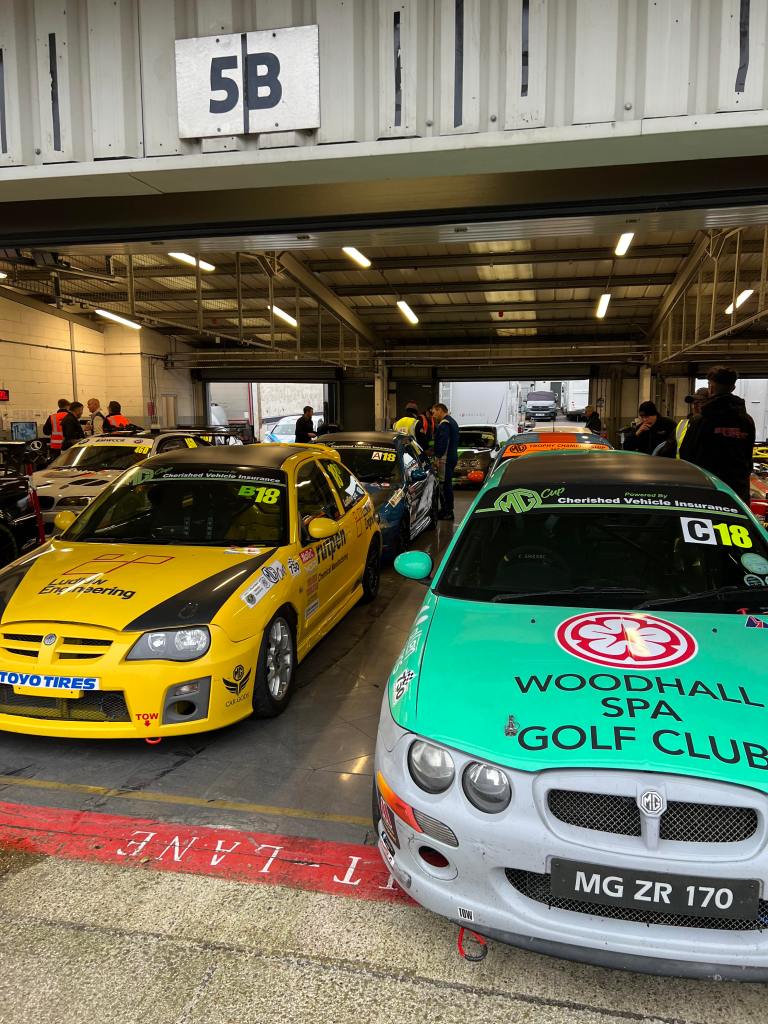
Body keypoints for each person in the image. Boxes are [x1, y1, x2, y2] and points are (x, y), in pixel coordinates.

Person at [679, 366, 755, 502]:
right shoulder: (747, 420)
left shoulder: (701, 420)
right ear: (733, 388)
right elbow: (748, 458)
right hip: (737, 492)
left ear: (711, 388)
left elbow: (687, 456)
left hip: (707, 489)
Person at [433, 402, 460, 521]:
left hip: (445, 459)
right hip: (451, 457)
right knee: (446, 484)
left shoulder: (445, 424)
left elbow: (443, 442)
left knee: (444, 485)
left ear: (440, 410)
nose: (433, 415)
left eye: (434, 412)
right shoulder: (452, 422)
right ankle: (446, 509)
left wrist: (438, 457)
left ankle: (447, 511)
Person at [674, 387, 708, 457]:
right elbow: (668, 449)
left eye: (700, 402)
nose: (695, 406)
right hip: (682, 463)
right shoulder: (682, 424)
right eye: (693, 403)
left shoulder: (714, 426)